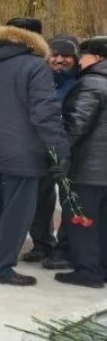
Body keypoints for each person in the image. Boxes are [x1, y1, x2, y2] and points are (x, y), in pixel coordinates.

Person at [0, 25, 70, 286]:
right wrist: (59, 151)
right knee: (17, 213)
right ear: (32, 44)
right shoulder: (35, 66)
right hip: (22, 155)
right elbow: (45, 113)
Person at [22, 33, 81, 269]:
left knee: (70, 201)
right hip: (42, 147)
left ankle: (66, 248)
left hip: (73, 150)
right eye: (54, 55)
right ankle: (42, 243)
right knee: (40, 199)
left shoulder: (81, 80)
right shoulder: (42, 77)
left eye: (66, 55)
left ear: (75, 58)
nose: (59, 60)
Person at [55, 36, 107, 289]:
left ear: (96, 57)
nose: (79, 61)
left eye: (82, 55)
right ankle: (102, 268)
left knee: (82, 222)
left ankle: (88, 271)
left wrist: (58, 154)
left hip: (88, 170)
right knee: (103, 223)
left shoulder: (91, 84)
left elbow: (75, 125)